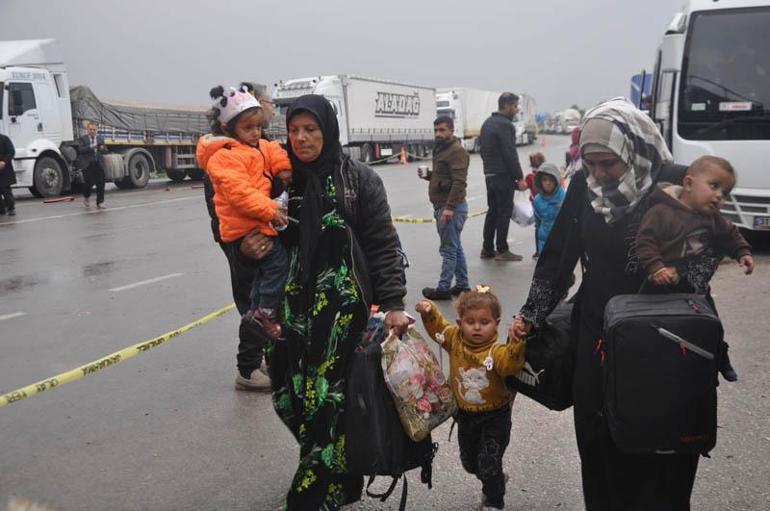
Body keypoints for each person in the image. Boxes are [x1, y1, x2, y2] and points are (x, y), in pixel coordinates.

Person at [512, 98, 702, 510]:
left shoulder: (676, 185)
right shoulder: (584, 185)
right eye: (590, 163)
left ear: (635, 150)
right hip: (599, 340)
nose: (597, 174)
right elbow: (559, 256)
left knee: (662, 455)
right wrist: (530, 315)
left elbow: (709, 255)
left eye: (608, 165)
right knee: (599, 449)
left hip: (665, 344)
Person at [253, 94, 410, 510]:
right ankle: (342, 476)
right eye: (294, 130)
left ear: (328, 130)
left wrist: (392, 302)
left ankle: (311, 493)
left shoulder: (358, 179)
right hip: (294, 313)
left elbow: (382, 244)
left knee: (328, 401)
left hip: (343, 313)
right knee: (292, 396)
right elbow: (252, 241)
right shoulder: (282, 181)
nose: (301, 139)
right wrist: (250, 250)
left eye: (311, 130)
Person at [196, 85, 292, 389]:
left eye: (260, 125)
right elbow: (235, 197)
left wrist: (285, 169)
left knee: (256, 299)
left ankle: (257, 361)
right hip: (245, 237)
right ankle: (249, 368)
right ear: (229, 125)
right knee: (255, 300)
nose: (257, 130)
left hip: (260, 228)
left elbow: (273, 152)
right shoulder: (224, 156)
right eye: (268, 104)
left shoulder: (254, 145)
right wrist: (264, 218)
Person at [635, 155, 754, 381]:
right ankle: (646, 363)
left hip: (693, 287)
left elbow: (731, 234)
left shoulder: (712, 217)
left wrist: (743, 252)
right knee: (647, 323)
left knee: (711, 324)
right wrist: (656, 268)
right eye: (714, 186)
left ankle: (719, 357)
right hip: (659, 284)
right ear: (688, 184)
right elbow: (645, 242)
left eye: (725, 192)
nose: (720, 196)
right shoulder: (661, 211)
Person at [415, 286, 526, 510]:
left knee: (488, 463)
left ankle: (494, 501)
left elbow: (510, 364)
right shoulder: (455, 340)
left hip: (495, 416)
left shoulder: (496, 350)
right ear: (460, 323)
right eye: (470, 321)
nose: (477, 327)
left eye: (484, 322)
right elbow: (440, 328)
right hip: (465, 415)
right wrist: (429, 311)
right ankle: (494, 477)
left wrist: (517, 342)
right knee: (470, 464)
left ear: (496, 322)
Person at [418, 115, 471, 300]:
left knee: (448, 250)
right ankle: (463, 285)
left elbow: (459, 182)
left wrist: (449, 208)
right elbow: (444, 177)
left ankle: (443, 288)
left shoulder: (456, 151)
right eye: (435, 130)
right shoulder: (442, 149)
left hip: (451, 208)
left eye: (442, 130)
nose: (438, 133)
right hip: (444, 206)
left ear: (451, 130)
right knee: (455, 248)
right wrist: (429, 175)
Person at [479, 92, 527, 262]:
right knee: (504, 212)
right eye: (514, 106)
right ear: (505, 105)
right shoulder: (506, 125)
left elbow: (482, 150)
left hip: (489, 175)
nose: (516, 109)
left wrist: (489, 169)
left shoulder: (487, 124)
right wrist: (519, 178)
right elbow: (510, 153)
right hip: (502, 175)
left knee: (492, 211)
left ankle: (487, 249)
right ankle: (502, 249)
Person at [532, 162, 566, 255]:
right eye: (544, 180)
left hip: (562, 241)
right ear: (540, 181)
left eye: (551, 179)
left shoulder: (564, 197)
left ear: (556, 180)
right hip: (544, 241)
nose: (548, 182)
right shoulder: (537, 201)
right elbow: (538, 222)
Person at [77, 122, 107, 209]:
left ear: (96, 130)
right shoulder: (83, 139)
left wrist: (103, 149)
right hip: (87, 164)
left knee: (101, 183)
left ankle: (100, 202)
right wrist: (91, 147)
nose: (93, 131)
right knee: (88, 184)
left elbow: (105, 150)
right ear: (87, 130)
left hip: (98, 163)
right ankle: (86, 197)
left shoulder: (100, 138)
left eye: (94, 129)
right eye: (91, 129)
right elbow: (80, 150)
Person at [524, 152, 545, 258]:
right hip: (547, 203)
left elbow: (523, 187)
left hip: (536, 204)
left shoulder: (530, 177)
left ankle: (538, 251)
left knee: (538, 227)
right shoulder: (546, 175)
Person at [0, 133, 16, 216]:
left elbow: (11, 152)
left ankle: (11, 208)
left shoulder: (4, 139)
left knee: (5, 190)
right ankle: (1, 209)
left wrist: (4, 161)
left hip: (4, 169)